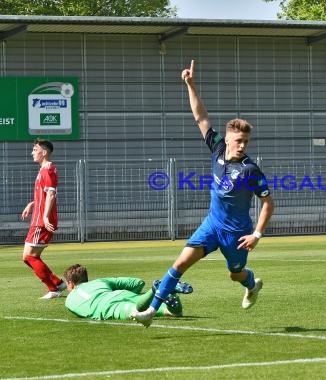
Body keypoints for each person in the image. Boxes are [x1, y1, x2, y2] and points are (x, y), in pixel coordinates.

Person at [131, 60, 275, 327]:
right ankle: (151, 312)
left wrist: (256, 234)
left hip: (236, 233)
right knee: (180, 263)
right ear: (229, 139)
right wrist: (190, 83)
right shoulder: (218, 149)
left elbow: (268, 202)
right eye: (239, 140)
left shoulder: (250, 170)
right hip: (212, 225)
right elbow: (201, 117)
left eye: (246, 141)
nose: (243, 145)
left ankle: (252, 283)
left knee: (236, 275)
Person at [63, 264, 192, 320]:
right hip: (122, 294)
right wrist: (127, 293)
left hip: (109, 308)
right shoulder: (100, 282)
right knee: (175, 313)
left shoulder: (69, 300)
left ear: (70, 283)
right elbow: (138, 283)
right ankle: (169, 291)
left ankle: (155, 289)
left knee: (135, 311)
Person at [21, 139, 66, 299]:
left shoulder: (48, 169)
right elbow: (45, 194)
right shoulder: (44, 170)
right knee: (29, 257)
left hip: (41, 221)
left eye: (35, 149)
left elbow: (52, 194)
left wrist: (45, 217)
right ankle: (57, 283)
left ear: (44, 152)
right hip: (39, 218)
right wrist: (32, 203)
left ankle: (54, 289)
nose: (32, 153)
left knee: (29, 256)